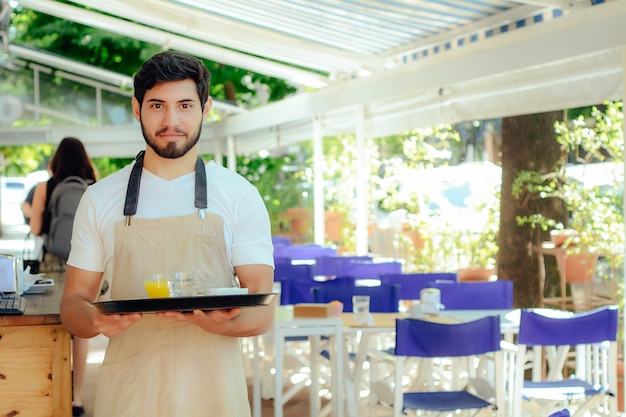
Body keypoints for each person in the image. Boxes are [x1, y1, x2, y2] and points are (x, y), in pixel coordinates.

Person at [59, 51, 275, 416]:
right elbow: (73, 303)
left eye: (185, 105)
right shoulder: (99, 198)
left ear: (206, 109)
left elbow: (262, 309)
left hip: (214, 394)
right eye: (157, 105)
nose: (170, 120)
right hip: (130, 393)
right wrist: (92, 320)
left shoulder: (240, 195)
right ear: (136, 108)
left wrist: (227, 322)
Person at [28, 136, 97, 417]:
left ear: (56, 159)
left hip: (53, 265)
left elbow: (35, 229)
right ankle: (76, 400)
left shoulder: (46, 187)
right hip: (87, 265)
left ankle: (50, 395)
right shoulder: (94, 188)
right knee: (80, 332)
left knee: (53, 328)